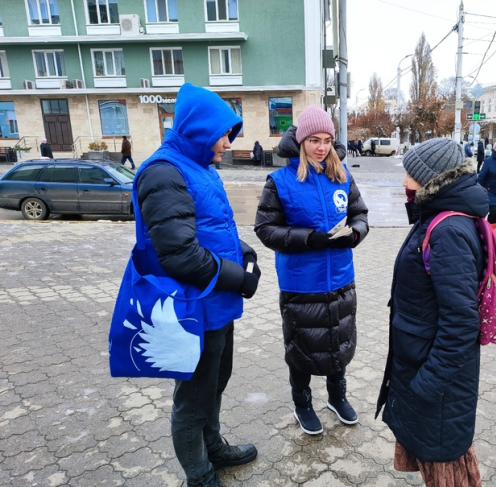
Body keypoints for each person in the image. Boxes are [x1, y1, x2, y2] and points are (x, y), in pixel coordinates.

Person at [135, 83, 260, 487]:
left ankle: (213, 447)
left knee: (215, 383)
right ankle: (200, 475)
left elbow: (212, 229)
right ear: (200, 129)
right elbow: (179, 254)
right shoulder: (163, 172)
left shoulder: (199, 167)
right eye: (223, 134)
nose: (228, 143)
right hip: (191, 307)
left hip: (215, 303)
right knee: (192, 399)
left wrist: (244, 252)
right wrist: (238, 277)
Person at [376, 138, 488, 487]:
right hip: (420, 362)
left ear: (433, 179)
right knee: (435, 458)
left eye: (411, 174)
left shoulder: (448, 231)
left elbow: (462, 323)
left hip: (433, 376)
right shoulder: (435, 216)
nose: (404, 181)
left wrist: (428, 383)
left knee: (447, 468)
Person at [254, 105, 369, 436]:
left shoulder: (342, 174)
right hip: (301, 282)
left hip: (341, 277)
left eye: (327, 140)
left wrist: (355, 233)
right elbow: (265, 229)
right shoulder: (280, 181)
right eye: (314, 140)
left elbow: (360, 214)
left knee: (339, 343)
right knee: (302, 348)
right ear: (301, 140)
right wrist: (309, 239)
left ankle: (337, 397)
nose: (321, 147)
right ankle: (302, 403)